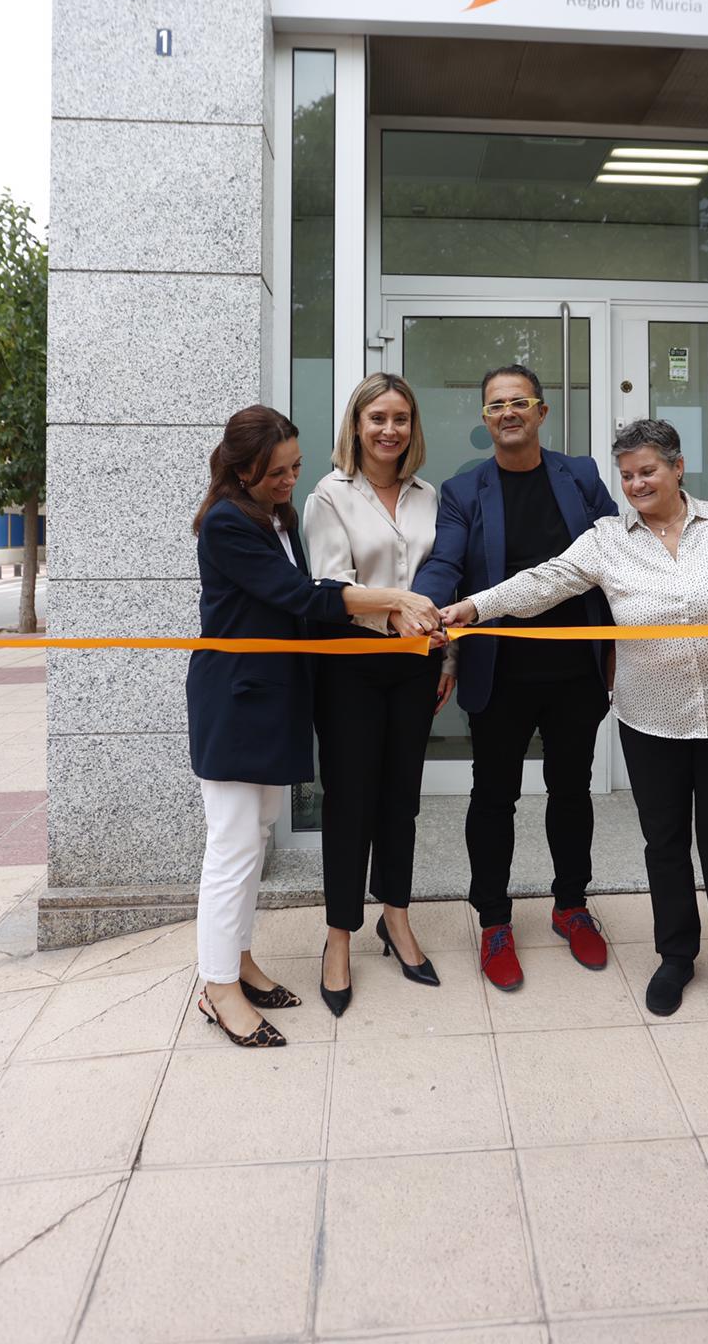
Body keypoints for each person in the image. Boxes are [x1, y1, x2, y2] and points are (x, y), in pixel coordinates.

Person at [441, 416, 708, 1035]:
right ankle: (676, 958)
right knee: (664, 844)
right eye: (627, 475)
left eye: (647, 471)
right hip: (650, 719)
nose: (636, 484)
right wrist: (474, 607)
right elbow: (545, 581)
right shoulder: (608, 539)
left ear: (677, 468)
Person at [186, 404, 443, 1046]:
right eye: (277, 471)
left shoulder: (274, 515)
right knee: (231, 848)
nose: (290, 480)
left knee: (255, 836)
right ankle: (217, 988)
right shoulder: (226, 522)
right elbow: (302, 595)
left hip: (274, 701)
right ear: (241, 469)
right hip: (236, 703)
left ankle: (239, 961)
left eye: (295, 467)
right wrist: (393, 598)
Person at [413, 365, 619, 991]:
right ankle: (494, 920)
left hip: (576, 670)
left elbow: (619, 550)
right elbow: (446, 560)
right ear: (485, 418)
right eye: (496, 405)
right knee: (493, 797)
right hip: (499, 672)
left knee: (571, 791)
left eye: (520, 402)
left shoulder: (580, 475)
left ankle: (571, 906)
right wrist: (419, 606)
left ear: (541, 412)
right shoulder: (463, 490)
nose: (508, 412)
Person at [304, 374, 455, 1016]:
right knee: (350, 801)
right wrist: (396, 613)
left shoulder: (429, 496)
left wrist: (447, 654)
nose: (389, 430)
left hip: (418, 665)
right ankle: (339, 935)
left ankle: (396, 916)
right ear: (357, 426)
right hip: (351, 664)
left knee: (401, 798)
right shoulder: (328, 495)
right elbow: (330, 584)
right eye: (377, 418)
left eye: (400, 418)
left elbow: (444, 579)